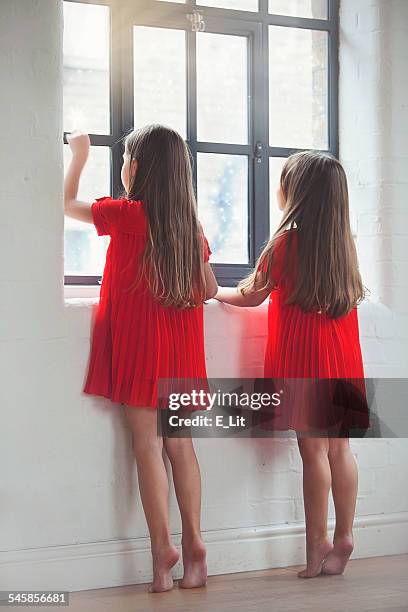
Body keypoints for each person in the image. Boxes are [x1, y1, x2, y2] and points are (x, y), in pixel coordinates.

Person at [64, 124, 217, 592]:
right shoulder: (189, 228)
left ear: (136, 168)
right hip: (181, 354)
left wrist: (80, 157)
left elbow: (67, 205)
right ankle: (194, 548)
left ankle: (161, 552)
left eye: (126, 160)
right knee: (180, 446)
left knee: (147, 447)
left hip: (140, 349)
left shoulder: (125, 214)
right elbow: (209, 289)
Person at [215, 151, 368, 578]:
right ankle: (346, 535)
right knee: (341, 449)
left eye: (283, 182)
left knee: (313, 451)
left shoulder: (286, 244)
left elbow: (251, 294)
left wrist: (214, 292)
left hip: (304, 359)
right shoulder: (345, 246)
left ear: (296, 195)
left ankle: (316, 544)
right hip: (342, 357)